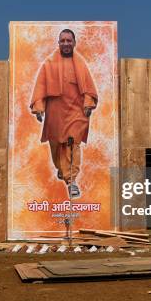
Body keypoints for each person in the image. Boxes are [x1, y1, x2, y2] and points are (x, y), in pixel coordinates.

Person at [30, 29, 98, 199]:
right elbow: (41, 87)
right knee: (56, 147)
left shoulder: (81, 64)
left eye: (69, 41)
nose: (66, 44)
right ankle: (62, 169)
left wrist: (88, 104)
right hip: (55, 114)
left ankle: (71, 181)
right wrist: (39, 108)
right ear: (58, 43)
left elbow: (88, 88)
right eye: (63, 41)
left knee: (72, 144)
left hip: (76, 112)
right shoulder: (49, 64)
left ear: (74, 43)